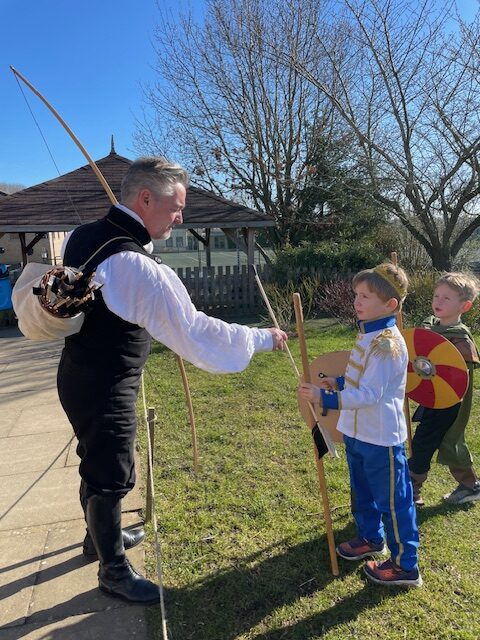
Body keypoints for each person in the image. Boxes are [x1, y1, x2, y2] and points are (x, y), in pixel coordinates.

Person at [57, 157, 287, 605]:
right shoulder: (134, 263)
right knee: (110, 473)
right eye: (175, 207)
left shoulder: (82, 234)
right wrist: (261, 338)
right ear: (145, 198)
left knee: (97, 457)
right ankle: (114, 571)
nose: (180, 217)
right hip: (105, 383)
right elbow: (195, 331)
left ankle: (101, 539)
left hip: (77, 374)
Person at [299, 263, 422, 587]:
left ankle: (404, 565)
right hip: (356, 431)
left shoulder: (387, 344)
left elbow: (370, 393)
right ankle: (370, 537)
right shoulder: (368, 333)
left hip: (380, 436)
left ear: (390, 305)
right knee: (362, 492)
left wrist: (324, 400)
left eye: (365, 296)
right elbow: (359, 378)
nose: (357, 300)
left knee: (393, 502)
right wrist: (335, 383)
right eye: (357, 294)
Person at [408, 272, 480, 506]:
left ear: (465, 306)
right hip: (431, 397)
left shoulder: (460, 340)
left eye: (446, 298)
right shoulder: (429, 328)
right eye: (436, 295)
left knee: (427, 442)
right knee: (444, 441)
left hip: (449, 402)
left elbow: (458, 379)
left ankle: (412, 489)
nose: (438, 301)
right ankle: (470, 485)